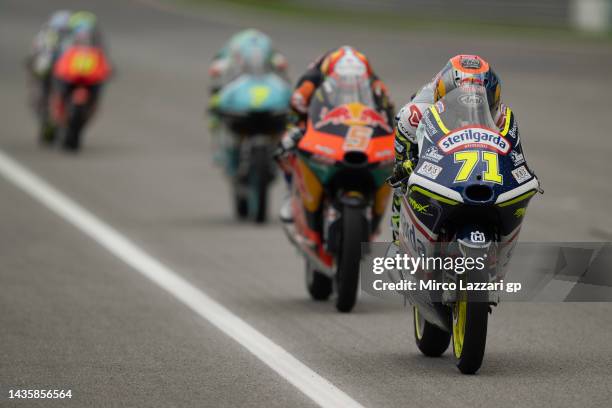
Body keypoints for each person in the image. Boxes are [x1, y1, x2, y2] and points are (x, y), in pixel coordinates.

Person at [388, 54, 517, 244]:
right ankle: (398, 242)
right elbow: (401, 162)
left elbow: (512, 150)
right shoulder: (414, 114)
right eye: (462, 100)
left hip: (473, 162)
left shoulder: (501, 116)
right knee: (402, 185)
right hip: (426, 142)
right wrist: (408, 163)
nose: (470, 106)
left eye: (481, 99)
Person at [275, 45, 393, 222]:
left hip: (356, 124)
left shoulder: (374, 83)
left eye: (355, 83)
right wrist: (299, 128)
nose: (350, 88)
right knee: (286, 146)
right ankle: (290, 192)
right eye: (344, 84)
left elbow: (387, 108)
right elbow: (295, 107)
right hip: (316, 120)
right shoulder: (312, 80)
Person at [208, 29, 288, 97]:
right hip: (237, 84)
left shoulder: (266, 46)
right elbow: (219, 65)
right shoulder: (233, 50)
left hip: (264, 85)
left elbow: (279, 62)